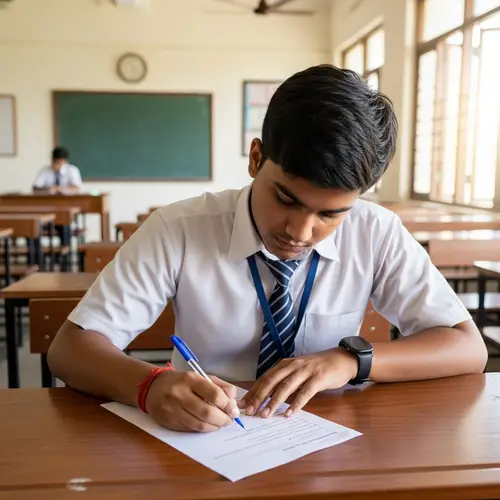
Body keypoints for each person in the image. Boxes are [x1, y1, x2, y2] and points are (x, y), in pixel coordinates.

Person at [47, 65, 487, 434]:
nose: (300, 231)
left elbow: (468, 348)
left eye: (330, 214)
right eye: (286, 199)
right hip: (202, 433)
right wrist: (148, 385)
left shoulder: (375, 231)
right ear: (256, 158)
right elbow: (70, 349)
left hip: (326, 435)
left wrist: (350, 361)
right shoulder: (179, 228)